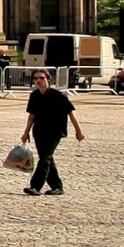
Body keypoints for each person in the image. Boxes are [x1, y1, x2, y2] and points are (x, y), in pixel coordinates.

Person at [22, 66, 84, 195]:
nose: (38, 80)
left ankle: (35, 186)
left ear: (48, 79)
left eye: (41, 78)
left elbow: (71, 113)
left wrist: (78, 131)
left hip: (55, 131)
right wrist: (26, 132)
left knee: (45, 158)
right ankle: (57, 186)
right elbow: (31, 116)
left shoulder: (58, 95)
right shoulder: (34, 95)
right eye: (35, 78)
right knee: (46, 158)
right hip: (39, 130)